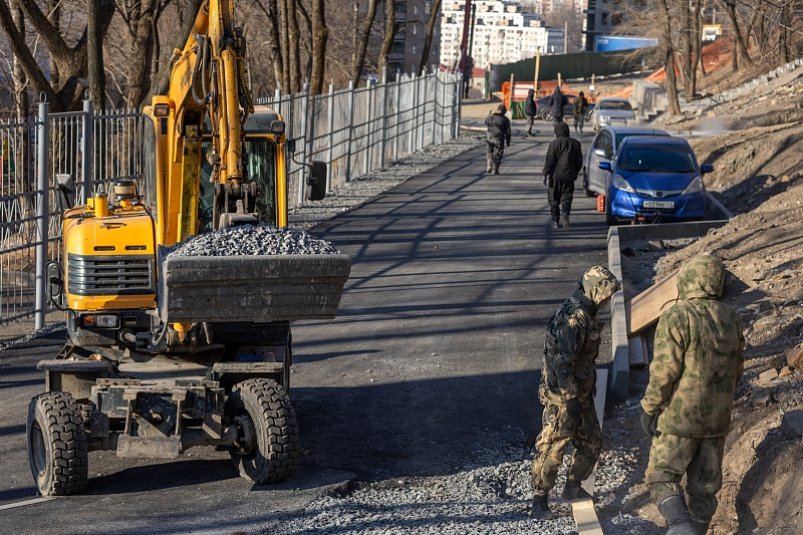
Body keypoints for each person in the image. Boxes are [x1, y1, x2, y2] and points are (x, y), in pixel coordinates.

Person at [640, 254, 744, 535]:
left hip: (679, 417)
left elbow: (664, 370)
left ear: (687, 280)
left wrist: (650, 407)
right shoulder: (731, 317)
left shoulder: (678, 314)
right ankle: (693, 531)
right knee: (704, 489)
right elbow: (738, 369)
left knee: (661, 475)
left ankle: (679, 525)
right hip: (717, 421)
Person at [530, 266, 621, 520]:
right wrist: (569, 399)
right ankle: (539, 500)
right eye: (606, 294)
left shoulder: (588, 313)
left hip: (580, 392)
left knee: (592, 441)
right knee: (553, 447)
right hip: (562, 395)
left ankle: (572, 488)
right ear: (595, 291)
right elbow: (562, 363)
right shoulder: (573, 318)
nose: (608, 299)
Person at [543, 122, 583, 229]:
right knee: (567, 197)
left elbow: (550, 161)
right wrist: (575, 172)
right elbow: (579, 161)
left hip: (555, 176)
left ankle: (555, 221)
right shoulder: (576, 144)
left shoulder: (554, 144)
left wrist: (545, 173)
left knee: (553, 199)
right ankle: (565, 216)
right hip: (569, 176)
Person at [484, 104, 511, 175]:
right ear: (504, 112)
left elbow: (486, 122)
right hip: (499, 138)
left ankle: (489, 165)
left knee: (489, 151)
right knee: (498, 153)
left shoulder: (491, 117)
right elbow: (508, 132)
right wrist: (508, 141)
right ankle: (495, 169)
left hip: (489, 137)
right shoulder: (505, 120)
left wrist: (489, 114)